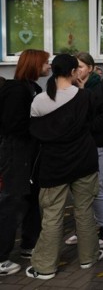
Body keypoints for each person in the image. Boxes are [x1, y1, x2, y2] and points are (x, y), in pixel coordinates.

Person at [27, 54, 102, 280]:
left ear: (53, 70)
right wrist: (80, 88)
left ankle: (45, 266)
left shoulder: (39, 100)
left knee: (51, 215)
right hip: (84, 162)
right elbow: (93, 123)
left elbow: (35, 133)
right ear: (73, 72)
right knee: (85, 211)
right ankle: (89, 257)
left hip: (54, 165)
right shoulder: (85, 96)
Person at [0, 50, 50, 276]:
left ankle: (29, 244)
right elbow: (12, 125)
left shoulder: (35, 88)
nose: (48, 66)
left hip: (32, 155)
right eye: (45, 62)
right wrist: (39, 127)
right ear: (35, 64)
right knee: (13, 202)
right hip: (16, 155)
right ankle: (1, 258)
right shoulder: (15, 90)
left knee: (31, 199)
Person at [65, 52, 103, 249]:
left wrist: (83, 126)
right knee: (78, 188)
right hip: (74, 146)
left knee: (97, 187)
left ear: (89, 67)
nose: (77, 70)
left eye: (80, 66)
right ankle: (84, 229)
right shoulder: (67, 88)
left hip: (95, 144)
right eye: (74, 66)